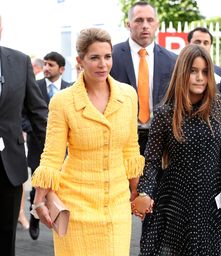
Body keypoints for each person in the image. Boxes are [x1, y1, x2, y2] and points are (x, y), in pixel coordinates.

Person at [31, 28, 144, 255]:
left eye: (107, 56)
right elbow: (52, 156)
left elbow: (131, 149)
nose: (103, 64)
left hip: (116, 205)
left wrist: (136, 192)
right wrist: (39, 201)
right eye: (94, 57)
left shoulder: (129, 95)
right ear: (80, 60)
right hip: (75, 206)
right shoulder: (63, 101)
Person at [132, 44, 221, 255]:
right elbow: (152, 160)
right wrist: (145, 191)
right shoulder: (165, 113)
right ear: (182, 73)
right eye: (193, 71)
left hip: (213, 200)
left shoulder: (219, 106)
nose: (200, 77)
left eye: (204, 72)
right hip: (176, 201)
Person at [0, 14, 48, 256]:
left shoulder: (19, 61)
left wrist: (52, 160)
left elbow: (38, 112)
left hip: (8, 167)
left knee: (6, 239)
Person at [110, 1, 177, 156]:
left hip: (161, 140)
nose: (145, 25)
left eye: (150, 20)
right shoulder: (111, 57)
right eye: (139, 20)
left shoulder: (172, 61)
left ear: (157, 24)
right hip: (121, 141)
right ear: (128, 24)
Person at [23, 51, 72, 240]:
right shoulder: (34, 86)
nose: (46, 68)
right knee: (39, 184)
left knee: (62, 186)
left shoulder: (71, 88)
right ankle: (35, 216)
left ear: (61, 69)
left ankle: (59, 220)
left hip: (65, 150)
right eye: (44, 64)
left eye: (51, 65)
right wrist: (35, 131)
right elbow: (23, 115)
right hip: (38, 146)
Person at [188, 27, 221, 97]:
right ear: (188, 43)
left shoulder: (220, 72)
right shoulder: (176, 68)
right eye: (197, 42)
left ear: (210, 46)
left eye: (206, 43)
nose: (201, 46)